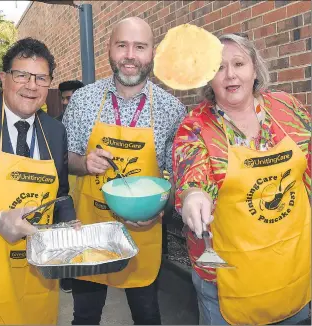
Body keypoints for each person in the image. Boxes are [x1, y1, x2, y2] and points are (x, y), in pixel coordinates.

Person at [172, 33, 311, 325]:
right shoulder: (195, 127)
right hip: (227, 278)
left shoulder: (288, 108)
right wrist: (194, 197)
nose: (230, 74)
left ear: (255, 69)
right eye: (219, 67)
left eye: (239, 63)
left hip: (292, 267)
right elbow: (192, 178)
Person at [62, 17, 186, 325]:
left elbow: (176, 177)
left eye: (140, 47)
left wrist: (161, 210)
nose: (130, 55)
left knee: (147, 316)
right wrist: (83, 163)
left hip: (142, 234)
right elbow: (64, 158)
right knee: (85, 317)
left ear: (151, 53)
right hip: (90, 230)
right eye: (122, 45)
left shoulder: (172, 110)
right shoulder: (83, 100)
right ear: (109, 49)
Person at [0, 37, 77, 325]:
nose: (31, 85)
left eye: (41, 78)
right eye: (21, 75)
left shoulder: (55, 131)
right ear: (3, 79)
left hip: (36, 276)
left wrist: (71, 227)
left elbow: (61, 193)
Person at [56, 79, 84, 293]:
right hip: (62, 186)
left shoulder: (90, 122)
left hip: (85, 185)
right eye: (64, 98)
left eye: (72, 97)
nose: (68, 102)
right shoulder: (54, 125)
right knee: (63, 231)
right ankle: (66, 278)